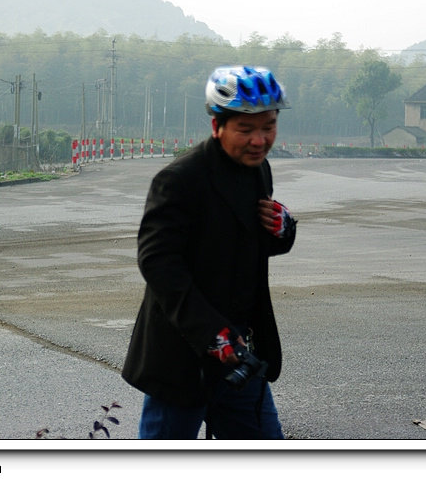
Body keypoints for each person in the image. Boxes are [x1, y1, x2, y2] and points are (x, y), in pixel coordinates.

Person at [122, 66, 297, 439]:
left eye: (268, 127)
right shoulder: (180, 180)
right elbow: (158, 262)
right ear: (217, 126)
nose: (259, 140)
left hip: (240, 355)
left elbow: (241, 244)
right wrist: (211, 334)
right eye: (246, 130)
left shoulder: (258, 171)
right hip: (184, 358)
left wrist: (283, 229)